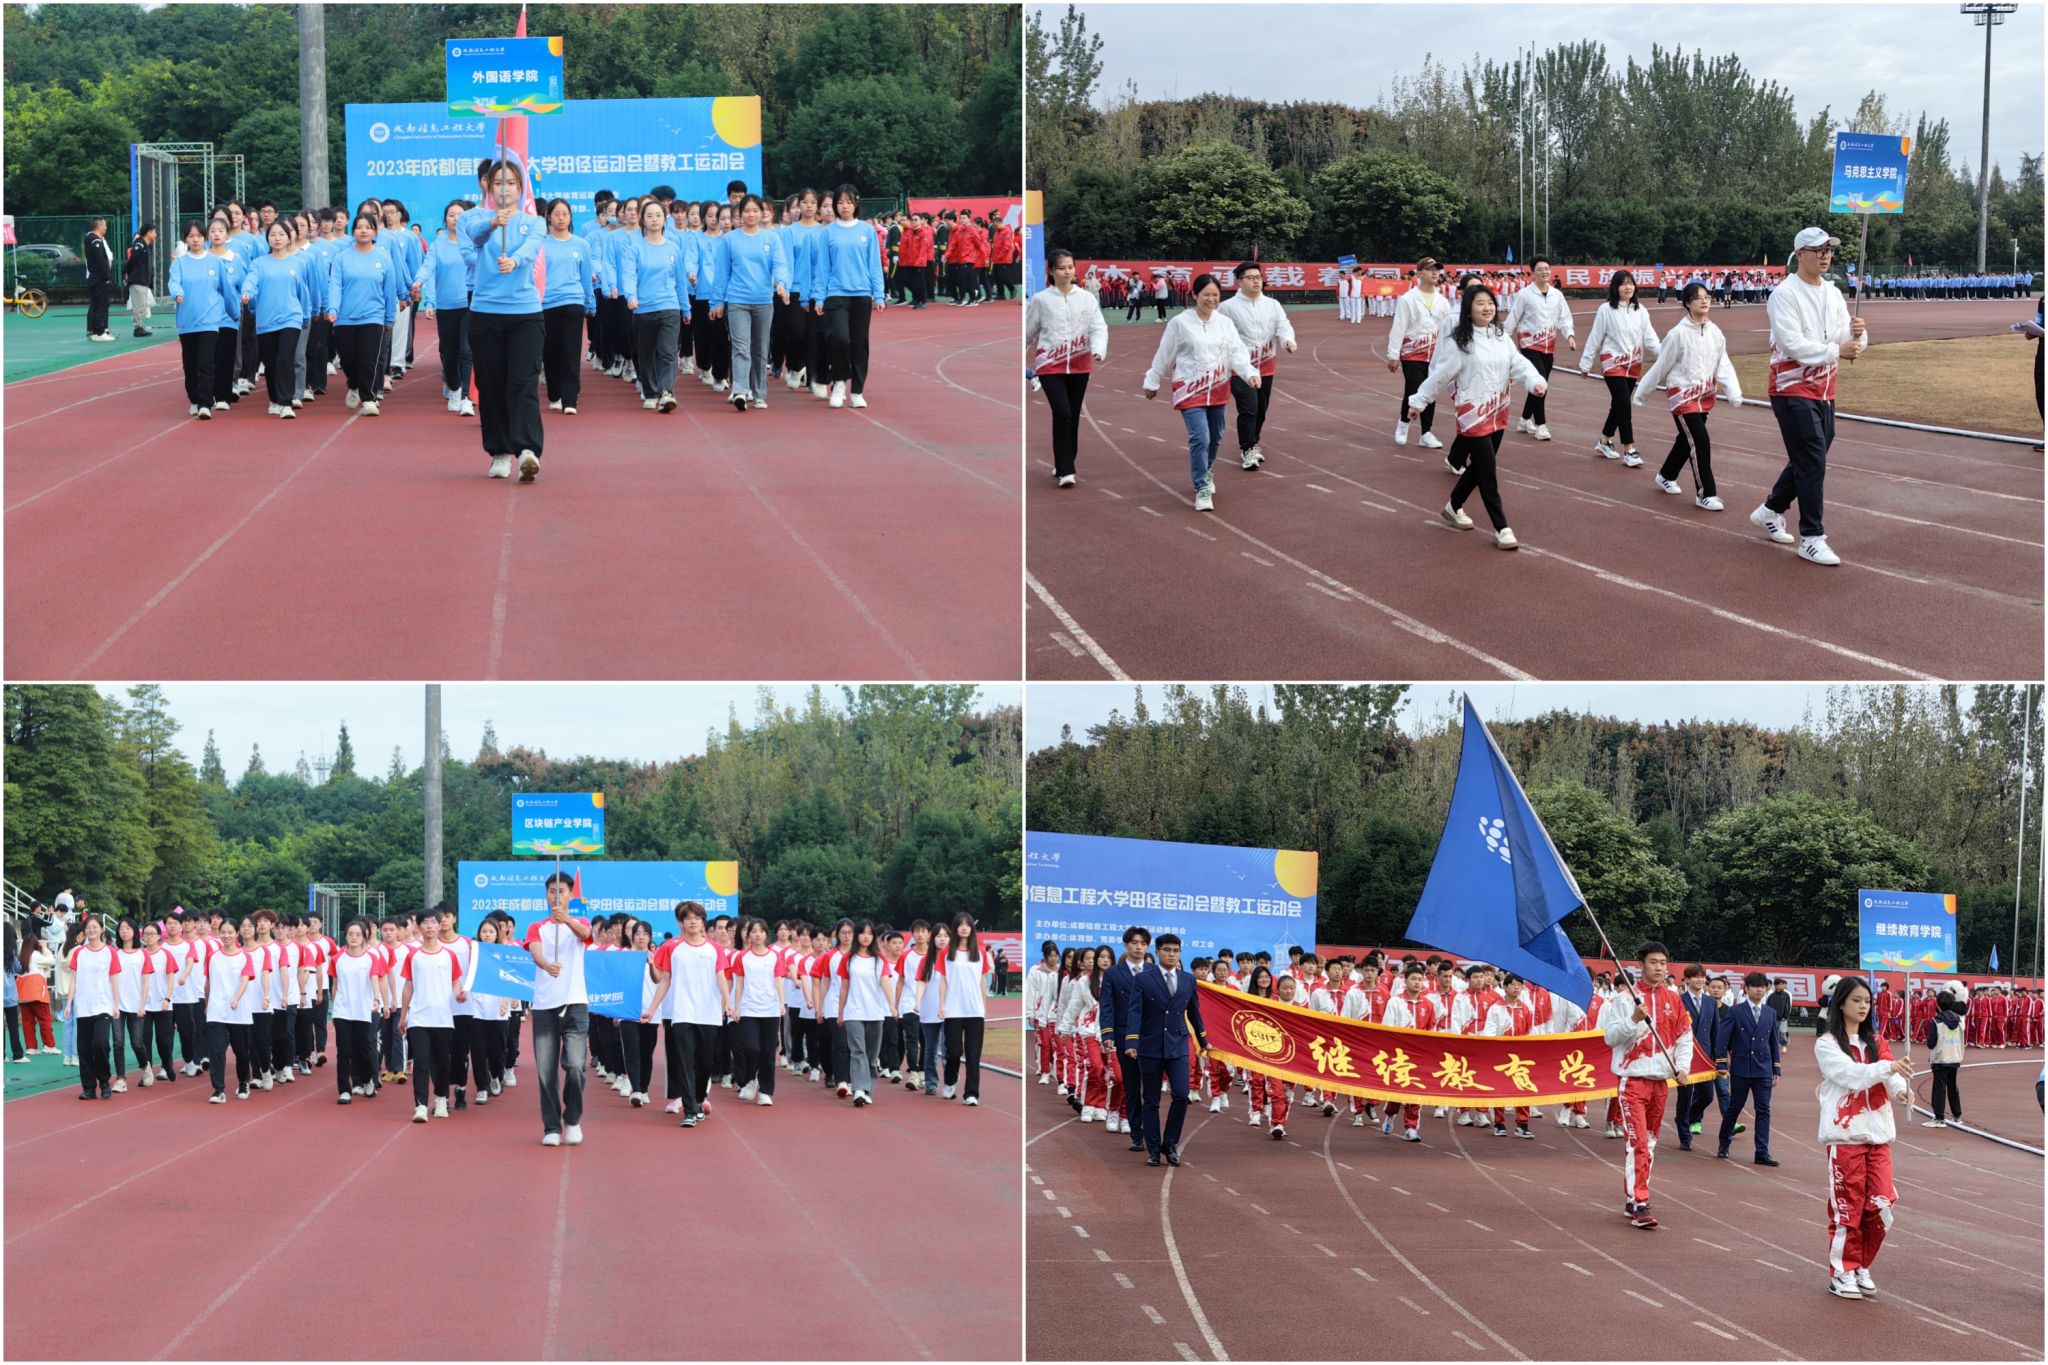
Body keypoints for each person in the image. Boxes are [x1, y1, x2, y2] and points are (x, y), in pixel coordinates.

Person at [1753, 227, 1867, 567]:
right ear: (1799, 254)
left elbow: (1845, 335)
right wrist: (1836, 350)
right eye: (1817, 250)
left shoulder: (1832, 292)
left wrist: (1859, 336)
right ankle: (1812, 537)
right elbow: (1792, 344)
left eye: (1828, 249)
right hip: (1790, 387)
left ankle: (1772, 509)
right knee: (1813, 457)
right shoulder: (1784, 294)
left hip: (1824, 388)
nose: (1825, 255)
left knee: (1811, 454)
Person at [1409, 282, 1546, 550]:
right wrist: (1419, 401)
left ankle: (1454, 505)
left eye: (1490, 303)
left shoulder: (1500, 336)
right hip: (1472, 414)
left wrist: (1534, 381)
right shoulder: (1460, 342)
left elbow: (1518, 363)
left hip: (1498, 411)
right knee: (1488, 471)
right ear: (1468, 309)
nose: (1487, 308)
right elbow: (1440, 376)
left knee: (1479, 468)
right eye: (1480, 303)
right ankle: (1501, 527)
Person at [1815, 975, 1911, 1299]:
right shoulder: (1827, 1043)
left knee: (1882, 1204)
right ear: (1841, 1002)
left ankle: (1861, 1264)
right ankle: (1842, 1271)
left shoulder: (1876, 1041)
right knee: (1848, 1208)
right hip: (1845, 1137)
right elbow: (1852, 1075)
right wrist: (1889, 1070)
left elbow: (1890, 1074)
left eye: (1867, 1001)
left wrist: (1900, 1090)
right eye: (1856, 1000)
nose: (1863, 1006)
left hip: (1879, 1135)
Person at [460, 158, 548, 483]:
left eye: (511, 183)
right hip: (486, 313)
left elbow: (531, 249)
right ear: (488, 186)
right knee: (491, 384)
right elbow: (474, 239)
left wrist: (515, 260)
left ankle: (527, 450)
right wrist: (492, 224)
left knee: (523, 382)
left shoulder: (534, 222)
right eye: (498, 183)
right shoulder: (474, 218)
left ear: (520, 188)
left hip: (525, 314)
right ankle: (499, 451)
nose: (504, 189)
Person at [1142, 273, 1258, 514]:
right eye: (1206, 294)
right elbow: (1165, 354)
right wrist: (1152, 381)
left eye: (1215, 295)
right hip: (1190, 390)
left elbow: (1237, 353)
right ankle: (1202, 487)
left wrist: (1250, 373)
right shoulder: (1180, 323)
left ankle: (1206, 469)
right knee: (1200, 437)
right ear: (1194, 295)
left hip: (1218, 389)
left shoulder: (1224, 323)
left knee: (1215, 436)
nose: (1211, 299)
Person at [1599, 941, 1693, 1230]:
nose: (1659, 968)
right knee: (1638, 1142)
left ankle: (1633, 1198)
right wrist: (1633, 1020)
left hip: (1660, 1083)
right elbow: (1610, 1038)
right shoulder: (1625, 1000)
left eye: (1663, 963)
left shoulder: (1674, 999)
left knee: (1649, 1144)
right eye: (1653, 962)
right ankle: (1640, 1201)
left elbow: (1684, 1037)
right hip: (1632, 1081)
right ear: (1641, 965)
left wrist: (1683, 1067)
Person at [1124, 931, 1208, 1167]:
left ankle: (1170, 1144)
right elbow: (1135, 1011)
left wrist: (1203, 1040)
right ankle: (1153, 1149)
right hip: (1150, 1046)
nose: (1172, 955)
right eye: (1167, 950)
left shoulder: (1188, 980)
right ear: (1157, 952)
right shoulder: (1143, 979)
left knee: (1181, 1095)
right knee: (1150, 1100)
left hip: (1178, 1045)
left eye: (1176, 951)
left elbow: (1194, 1012)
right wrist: (1131, 1042)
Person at [1027, 249, 1109, 489]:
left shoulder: (1086, 298)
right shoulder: (1041, 300)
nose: (1067, 272)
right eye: (1062, 268)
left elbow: (1098, 327)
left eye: (1070, 267)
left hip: (1079, 366)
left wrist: (1099, 349)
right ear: (1051, 271)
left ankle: (1064, 461)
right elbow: (1028, 332)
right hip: (1050, 366)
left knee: (1072, 415)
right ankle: (1066, 469)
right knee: (1062, 413)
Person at [523, 873, 592, 1146]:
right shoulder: (536, 927)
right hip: (545, 1007)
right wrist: (546, 965)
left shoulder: (581, 923)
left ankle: (572, 1119)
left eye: (561, 891)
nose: (556, 896)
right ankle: (551, 1127)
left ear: (570, 895)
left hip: (575, 1004)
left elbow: (586, 935)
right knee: (546, 1071)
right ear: (546, 895)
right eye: (552, 891)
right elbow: (536, 952)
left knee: (575, 1065)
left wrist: (567, 920)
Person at [810, 184, 886, 410]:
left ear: (856, 204)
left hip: (861, 294)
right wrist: (819, 297)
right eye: (840, 202)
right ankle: (840, 382)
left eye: (848, 202)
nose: (844, 206)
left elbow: (874, 264)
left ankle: (857, 391)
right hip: (836, 294)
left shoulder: (866, 231)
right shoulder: (828, 233)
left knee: (859, 342)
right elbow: (822, 267)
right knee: (839, 338)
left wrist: (879, 294)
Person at [1216, 262, 1297, 472]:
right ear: (1239, 282)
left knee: (1261, 409)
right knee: (1249, 407)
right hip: (1240, 368)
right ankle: (1248, 448)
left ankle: (1253, 441)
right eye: (1250, 278)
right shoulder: (1227, 308)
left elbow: (1283, 325)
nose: (1256, 281)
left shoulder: (1272, 305)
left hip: (1266, 366)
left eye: (1258, 277)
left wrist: (1287, 340)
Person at [715, 194, 792, 412]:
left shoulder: (771, 239)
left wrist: (781, 283)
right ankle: (740, 390)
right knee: (741, 347)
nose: (751, 215)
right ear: (739, 214)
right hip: (737, 300)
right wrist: (717, 301)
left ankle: (759, 394)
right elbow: (722, 273)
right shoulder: (729, 240)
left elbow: (780, 265)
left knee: (760, 349)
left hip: (763, 301)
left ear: (762, 213)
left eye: (755, 211)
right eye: (746, 211)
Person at [1580, 269, 1659, 466]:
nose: (1628, 287)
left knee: (1618, 405)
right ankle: (1629, 450)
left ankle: (1604, 441)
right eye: (1623, 284)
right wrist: (1586, 362)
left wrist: (1665, 357)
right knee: (1624, 404)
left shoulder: (1641, 311)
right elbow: (1595, 336)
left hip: (1633, 365)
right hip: (1613, 364)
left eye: (1631, 283)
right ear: (1615, 287)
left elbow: (1650, 338)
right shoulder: (1606, 310)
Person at [1503, 257, 1575, 440]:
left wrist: (1570, 336)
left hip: (1548, 347)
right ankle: (1541, 425)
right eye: (1540, 269)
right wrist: (1503, 340)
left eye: (1547, 269)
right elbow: (1512, 319)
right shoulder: (1525, 295)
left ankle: (1524, 420)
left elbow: (1564, 318)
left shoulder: (1556, 295)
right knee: (1541, 382)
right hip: (1529, 346)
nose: (1545, 272)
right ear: (1533, 272)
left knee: (1538, 386)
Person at [1712, 972, 1780, 1163]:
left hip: (1763, 1069)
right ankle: (1724, 1144)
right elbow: (1722, 1039)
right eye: (1755, 986)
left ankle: (1762, 1152)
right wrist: (1721, 1063)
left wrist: (1776, 1068)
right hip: (1741, 1068)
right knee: (1735, 1107)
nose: (1759, 990)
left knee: (1763, 1109)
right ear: (1746, 988)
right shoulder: (1736, 1011)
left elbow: (1774, 1042)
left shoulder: (1770, 1013)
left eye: (1762, 986)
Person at [1386, 257, 1452, 449]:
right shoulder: (1408, 299)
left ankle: (1426, 433)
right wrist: (1393, 355)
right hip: (1412, 353)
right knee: (1413, 390)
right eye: (1430, 269)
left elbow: (1448, 329)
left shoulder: (1442, 301)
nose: (1435, 273)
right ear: (1419, 273)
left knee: (1430, 392)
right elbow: (1399, 327)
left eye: (1437, 270)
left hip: (1435, 355)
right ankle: (1404, 423)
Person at [202, 916, 258, 1102]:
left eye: (230, 932)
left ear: (237, 933)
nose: (226, 935)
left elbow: (245, 980)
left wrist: (236, 999)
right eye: (223, 932)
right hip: (216, 1011)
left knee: (241, 1052)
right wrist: (207, 1004)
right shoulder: (212, 957)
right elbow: (208, 982)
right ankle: (218, 1090)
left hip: (239, 1012)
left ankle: (243, 1082)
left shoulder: (244, 957)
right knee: (216, 1051)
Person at [1921, 985, 1966, 1126]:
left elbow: (1931, 1042)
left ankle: (1939, 1118)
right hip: (1955, 1057)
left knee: (1939, 1088)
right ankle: (1957, 1116)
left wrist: (1929, 1041)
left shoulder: (1936, 1021)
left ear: (1938, 1005)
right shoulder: (1959, 1020)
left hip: (1941, 1058)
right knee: (1952, 1087)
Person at [1028, 940, 1061, 1081]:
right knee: (1044, 1043)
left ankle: (1055, 1070)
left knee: (1057, 1045)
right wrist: (1030, 1013)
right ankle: (1044, 1070)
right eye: (1050, 956)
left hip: (1057, 1014)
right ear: (1045, 956)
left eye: (1055, 955)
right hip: (1040, 1013)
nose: (1053, 958)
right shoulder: (1036, 971)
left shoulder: (1062, 972)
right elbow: (1031, 992)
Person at [83, 217, 115, 342]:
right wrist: (106, 277)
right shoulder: (95, 241)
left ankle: (95, 331)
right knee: (101, 305)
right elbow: (101, 262)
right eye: (104, 225)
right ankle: (100, 332)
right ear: (99, 226)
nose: (106, 228)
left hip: (95, 277)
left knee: (96, 304)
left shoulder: (91, 239)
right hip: (99, 278)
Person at [125, 222, 158, 337]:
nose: (155, 235)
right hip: (138, 280)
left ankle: (140, 326)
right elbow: (131, 262)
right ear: (148, 233)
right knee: (139, 305)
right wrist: (130, 274)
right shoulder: (139, 245)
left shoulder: (145, 246)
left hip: (142, 280)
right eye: (154, 232)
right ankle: (138, 328)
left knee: (142, 305)